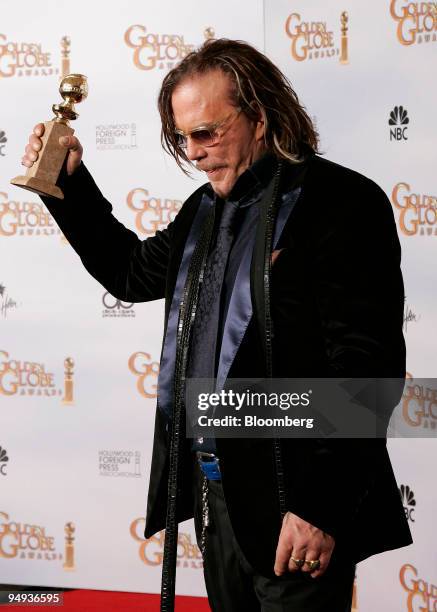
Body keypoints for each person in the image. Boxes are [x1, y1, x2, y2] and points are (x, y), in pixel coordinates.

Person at [21, 39, 412, 612]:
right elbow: (131, 274)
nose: (194, 152)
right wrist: (70, 183)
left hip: (296, 508)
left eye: (208, 132)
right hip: (217, 502)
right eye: (182, 138)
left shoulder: (341, 202)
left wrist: (319, 509)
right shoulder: (203, 210)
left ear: (261, 116)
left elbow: (367, 370)